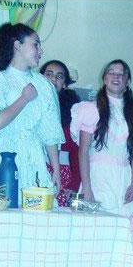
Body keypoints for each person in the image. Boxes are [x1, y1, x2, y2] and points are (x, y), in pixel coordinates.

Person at [0, 23, 64, 205]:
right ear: (18, 45)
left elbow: (50, 132)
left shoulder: (43, 84)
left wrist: (56, 171)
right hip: (0, 156)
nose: (41, 51)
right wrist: (24, 99)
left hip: (32, 156)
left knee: (32, 212)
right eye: (35, 44)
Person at [71, 59, 133, 261]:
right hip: (97, 177)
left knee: (124, 238)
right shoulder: (90, 109)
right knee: (93, 236)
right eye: (111, 72)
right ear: (104, 78)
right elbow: (83, 151)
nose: (116, 76)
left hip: (124, 179)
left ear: (128, 81)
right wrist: (87, 188)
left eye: (121, 73)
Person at [40, 59, 81, 206]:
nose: (53, 79)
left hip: (62, 173)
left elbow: (77, 152)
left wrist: (74, 183)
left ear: (64, 84)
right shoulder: (30, 102)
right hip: (34, 167)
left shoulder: (73, 111)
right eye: (49, 74)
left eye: (59, 76)